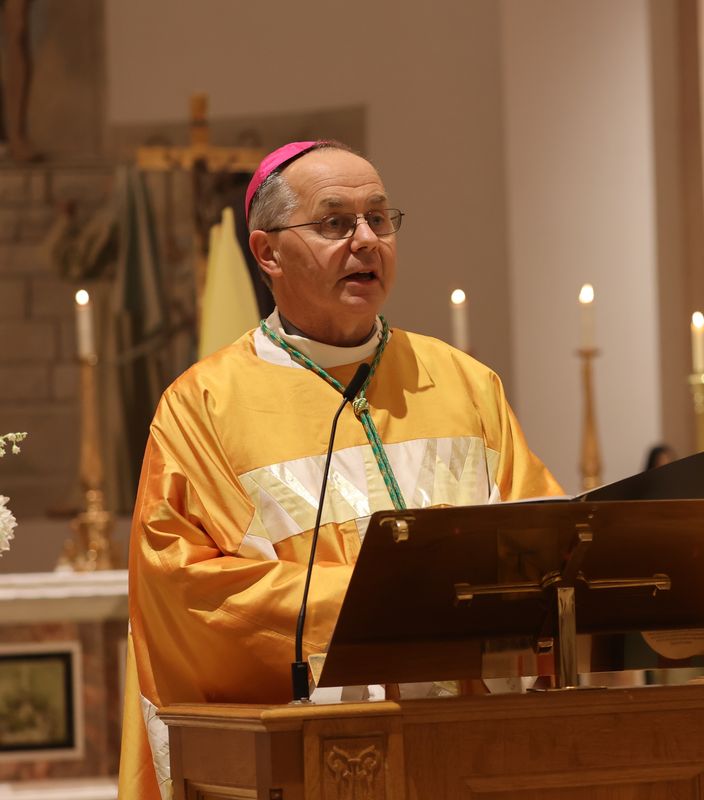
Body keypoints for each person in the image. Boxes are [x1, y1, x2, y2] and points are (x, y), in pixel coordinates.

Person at [117, 141, 561, 799]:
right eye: (335, 223)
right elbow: (182, 592)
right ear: (267, 253)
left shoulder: (465, 383)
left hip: (470, 748)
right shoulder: (204, 407)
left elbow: (541, 538)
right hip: (312, 760)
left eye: (379, 220)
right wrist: (376, 600)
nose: (366, 241)